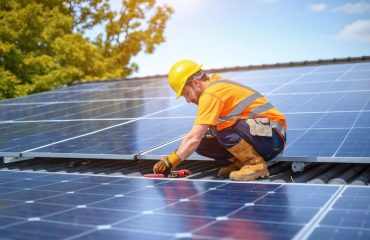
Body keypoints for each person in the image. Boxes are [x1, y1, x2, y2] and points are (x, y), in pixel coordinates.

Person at [153, 59, 287, 181]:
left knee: (221, 130)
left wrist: (171, 160)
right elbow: (198, 139)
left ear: (196, 83)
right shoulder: (214, 86)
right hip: (263, 136)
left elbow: (194, 137)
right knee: (205, 140)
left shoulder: (211, 93)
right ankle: (240, 162)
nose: (188, 100)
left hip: (273, 137)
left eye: (187, 94)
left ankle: (255, 164)